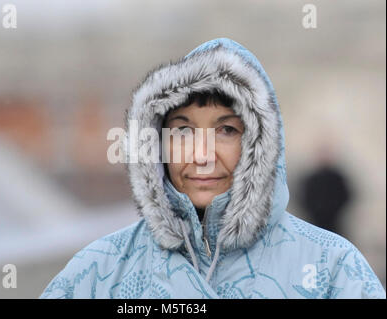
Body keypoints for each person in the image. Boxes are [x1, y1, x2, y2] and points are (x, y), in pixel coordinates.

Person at [40, 38, 385, 299]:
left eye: (226, 130)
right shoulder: (100, 271)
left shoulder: (335, 269)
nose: (202, 155)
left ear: (259, 145)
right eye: (184, 130)